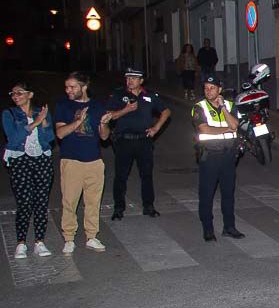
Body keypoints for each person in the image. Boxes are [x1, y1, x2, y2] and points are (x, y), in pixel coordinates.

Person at [55, 72, 111, 253]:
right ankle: (69, 237)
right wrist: (78, 121)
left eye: (72, 87)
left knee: (93, 201)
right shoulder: (63, 105)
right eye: (66, 87)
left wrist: (104, 124)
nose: (68, 90)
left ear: (84, 87)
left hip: (94, 161)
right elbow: (60, 133)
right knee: (69, 201)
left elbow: (104, 137)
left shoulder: (97, 106)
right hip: (71, 160)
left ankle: (92, 236)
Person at [105, 67, 171, 220]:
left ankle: (149, 206)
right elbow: (108, 116)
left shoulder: (149, 96)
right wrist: (126, 110)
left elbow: (166, 111)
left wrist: (156, 127)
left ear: (141, 81)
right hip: (124, 140)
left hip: (144, 140)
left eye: (133, 78)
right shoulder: (118, 95)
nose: (130, 81)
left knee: (146, 175)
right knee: (121, 176)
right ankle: (118, 208)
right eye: (128, 78)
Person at [3, 81, 56, 258]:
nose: (15, 96)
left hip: (41, 158)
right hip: (20, 159)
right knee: (24, 202)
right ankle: (21, 243)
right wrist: (36, 123)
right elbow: (13, 139)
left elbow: (49, 137)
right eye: (13, 94)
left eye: (19, 93)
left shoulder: (41, 112)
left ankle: (39, 241)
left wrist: (44, 122)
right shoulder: (9, 114)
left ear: (30, 95)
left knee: (41, 202)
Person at [192, 74, 242, 241]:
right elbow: (204, 129)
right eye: (206, 88)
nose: (208, 91)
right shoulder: (199, 107)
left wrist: (223, 109)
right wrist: (225, 130)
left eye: (212, 88)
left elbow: (235, 125)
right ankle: (208, 229)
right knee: (206, 194)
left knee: (228, 193)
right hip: (210, 156)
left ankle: (229, 227)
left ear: (219, 90)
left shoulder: (229, 105)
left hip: (228, 157)